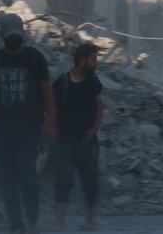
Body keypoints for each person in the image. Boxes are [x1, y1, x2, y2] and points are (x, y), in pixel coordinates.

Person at [0, 14, 57, 234]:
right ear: (1, 35)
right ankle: (15, 225)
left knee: (27, 176)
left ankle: (33, 221)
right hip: (1, 131)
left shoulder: (35, 58)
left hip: (30, 130)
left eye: (16, 34)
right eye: (9, 34)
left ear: (23, 35)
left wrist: (50, 123)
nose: (13, 38)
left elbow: (47, 92)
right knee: (8, 180)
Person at [52, 43, 104, 231]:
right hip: (65, 141)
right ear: (82, 61)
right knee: (63, 182)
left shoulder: (93, 82)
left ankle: (90, 222)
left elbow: (99, 107)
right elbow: (52, 109)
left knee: (90, 182)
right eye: (93, 59)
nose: (96, 63)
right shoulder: (62, 83)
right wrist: (51, 131)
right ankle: (60, 225)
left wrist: (94, 129)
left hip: (88, 142)